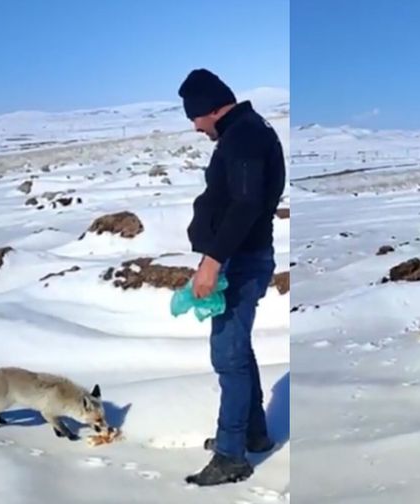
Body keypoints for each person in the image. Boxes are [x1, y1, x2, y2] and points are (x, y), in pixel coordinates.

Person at [177, 68, 286, 485]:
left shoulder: (244, 136)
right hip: (237, 257)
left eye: (195, 116)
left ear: (210, 108)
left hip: (241, 260)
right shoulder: (244, 130)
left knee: (227, 354)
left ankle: (230, 456)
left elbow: (245, 205)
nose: (195, 126)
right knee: (237, 350)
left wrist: (213, 261)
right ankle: (250, 433)